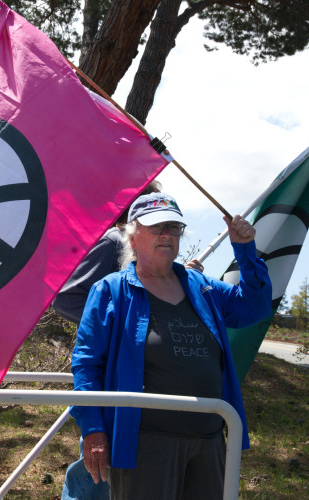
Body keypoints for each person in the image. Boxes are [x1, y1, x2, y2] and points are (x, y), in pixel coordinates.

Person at [70, 192, 272, 500]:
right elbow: (87, 364)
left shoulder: (203, 287)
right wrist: (93, 430)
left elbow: (254, 307)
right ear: (132, 237)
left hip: (209, 437)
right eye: (156, 226)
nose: (167, 234)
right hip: (146, 444)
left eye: (174, 227)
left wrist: (244, 249)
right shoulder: (111, 290)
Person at [54, 183, 202, 500]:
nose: (163, 228)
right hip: (111, 376)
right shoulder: (113, 240)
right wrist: (116, 327)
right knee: (95, 472)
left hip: (146, 389)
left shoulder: (157, 259)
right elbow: (67, 298)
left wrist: (178, 279)